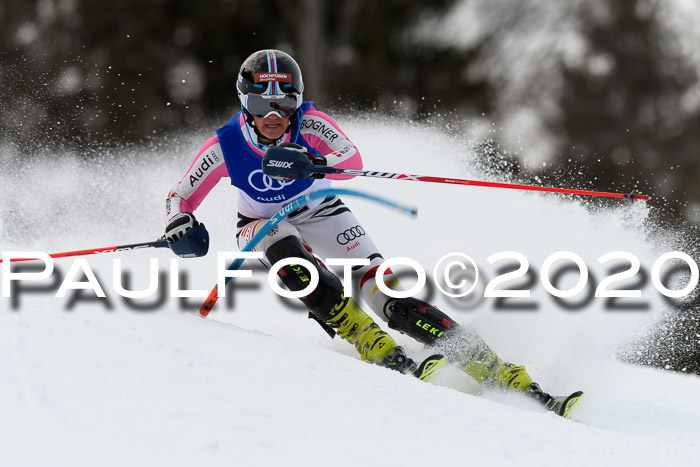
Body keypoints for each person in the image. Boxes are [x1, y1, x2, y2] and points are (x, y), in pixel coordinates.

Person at [164, 49, 580, 414]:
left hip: (321, 210)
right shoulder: (225, 143)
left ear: (297, 100)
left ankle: (489, 364)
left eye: (284, 101)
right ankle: (367, 338)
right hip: (259, 222)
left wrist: (312, 160)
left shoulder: (310, 122)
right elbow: (180, 196)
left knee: (386, 293)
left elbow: (351, 156)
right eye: (260, 102)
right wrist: (178, 223)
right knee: (292, 258)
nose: (273, 115)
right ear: (244, 100)